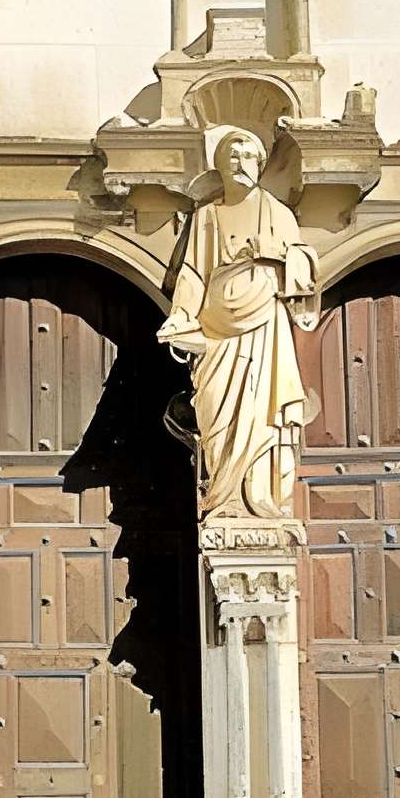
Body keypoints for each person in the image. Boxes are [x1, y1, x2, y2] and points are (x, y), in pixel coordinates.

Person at [158, 125, 315, 524]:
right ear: (220, 166)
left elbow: (303, 269)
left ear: (259, 165)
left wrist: (275, 252)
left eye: (247, 156)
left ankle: (259, 498)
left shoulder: (277, 213)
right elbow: (193, 273)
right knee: (216, 410)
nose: (240, 163)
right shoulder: (206, 216)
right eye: (232, 156)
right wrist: (181, 315)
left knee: (262, 411)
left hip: (264, 328)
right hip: (217, 331)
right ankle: (223, 496)